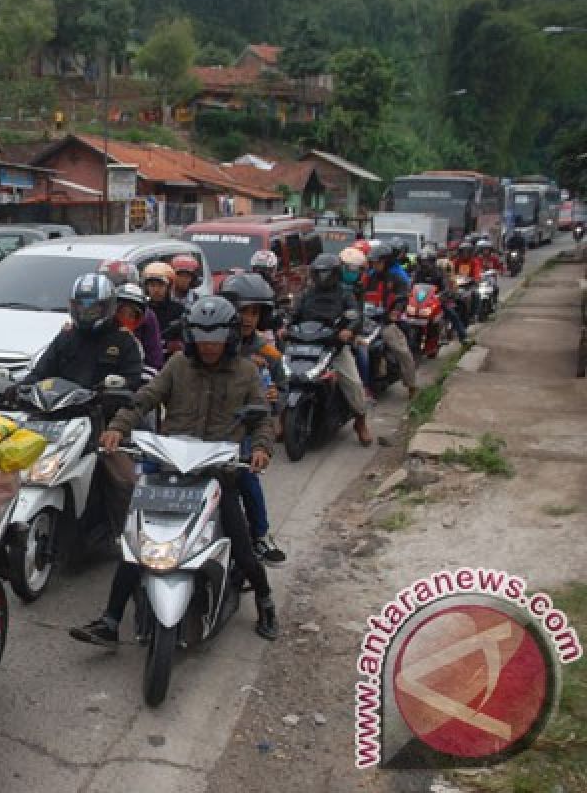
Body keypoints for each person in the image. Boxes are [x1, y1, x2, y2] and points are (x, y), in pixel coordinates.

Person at [68, 296, 280, 647]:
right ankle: (110, 621)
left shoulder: (246, 372)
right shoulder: (178, 364)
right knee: (137, 543)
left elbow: (262, 418)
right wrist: (118, 427)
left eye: (216, 340)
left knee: (243, 547)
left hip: (217, 474)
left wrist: (260, 448)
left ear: (229, 338)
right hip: (170, 470)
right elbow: (145, 398)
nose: (209, 347)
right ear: (191, 337)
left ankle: (265, 601)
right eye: (202, 339)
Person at [16, 273, 144, 538]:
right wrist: (20, 388)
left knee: (124, 482)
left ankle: (124, 538)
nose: (85, 313)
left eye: (93, 308)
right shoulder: (65, 338)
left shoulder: (124, 341)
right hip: (56, 419)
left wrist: (115, 393)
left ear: (108, 307)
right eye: (80, 307)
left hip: (104, 423)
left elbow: (133, 383)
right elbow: (41, 371)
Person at [219, 273, 287, 566]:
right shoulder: (211, 342)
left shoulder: (268, 352)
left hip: (243, 430)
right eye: (241, 310)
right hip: (205, 427)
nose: (247, 318)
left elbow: (283, 391)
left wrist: (275, 399)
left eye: (254, 312)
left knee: (247, 478)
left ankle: (259, 535)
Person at [291, 254, 373, 446]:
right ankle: (281, 420)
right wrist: (285, 327)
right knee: (285, 377)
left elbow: (355, 316)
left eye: (326, 274)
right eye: (318, 274)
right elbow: (294, 314)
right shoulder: (307, 294)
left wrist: (348, 330)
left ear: (335, 274)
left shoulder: (344, 293)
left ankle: (360, 421)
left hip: (333, 348)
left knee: (353, 383)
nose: (322, 277)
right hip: (306, 345)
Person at [364, 243, 419, 399]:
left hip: (385, 321)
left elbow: (403, 296)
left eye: (377, 262)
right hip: (367, 322)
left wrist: (395, 311)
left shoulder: (397, 278)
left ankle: (412, 385)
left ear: (386, 261)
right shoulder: (369, 277)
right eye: (373, 262)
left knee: (402, 350)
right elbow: (359, 295)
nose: (374, 265)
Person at [101, 260, 163, 369]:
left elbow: (154, 357)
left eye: (132, 315)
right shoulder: (101, 312)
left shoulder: (148, 316)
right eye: (109, 282)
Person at [415, 246, 471, 347]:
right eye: (422, 261)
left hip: (437, 301)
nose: (425, 264)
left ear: (432, 261)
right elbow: (412, 286)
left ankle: (464, 337)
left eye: (427, 261)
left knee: (452, 314)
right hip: (420, 301)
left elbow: (445, 287)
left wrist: (441, 295)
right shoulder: (418, 273)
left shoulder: (439, 272)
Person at [338, 246, 375, 400]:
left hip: (350, 331)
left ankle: (364, 387)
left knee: (362, 352)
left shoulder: (358, 289)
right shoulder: (330, 286)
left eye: (356, 270)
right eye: (349, 268)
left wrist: (354, 333)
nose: (353, 272)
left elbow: (358, 314)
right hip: (330, 330)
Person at [116, 282, 164, 370]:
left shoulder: (149, 318)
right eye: (121, 312)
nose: (125, 318)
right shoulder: (105, 326)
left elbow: (154, 359)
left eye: (131, 315)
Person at [141, 261, 185, 355]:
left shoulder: (179, 310)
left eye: (161, 285)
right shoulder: (140, 310)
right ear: (146, 287)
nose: (156, 290)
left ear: (169, 287)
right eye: (152, 285)